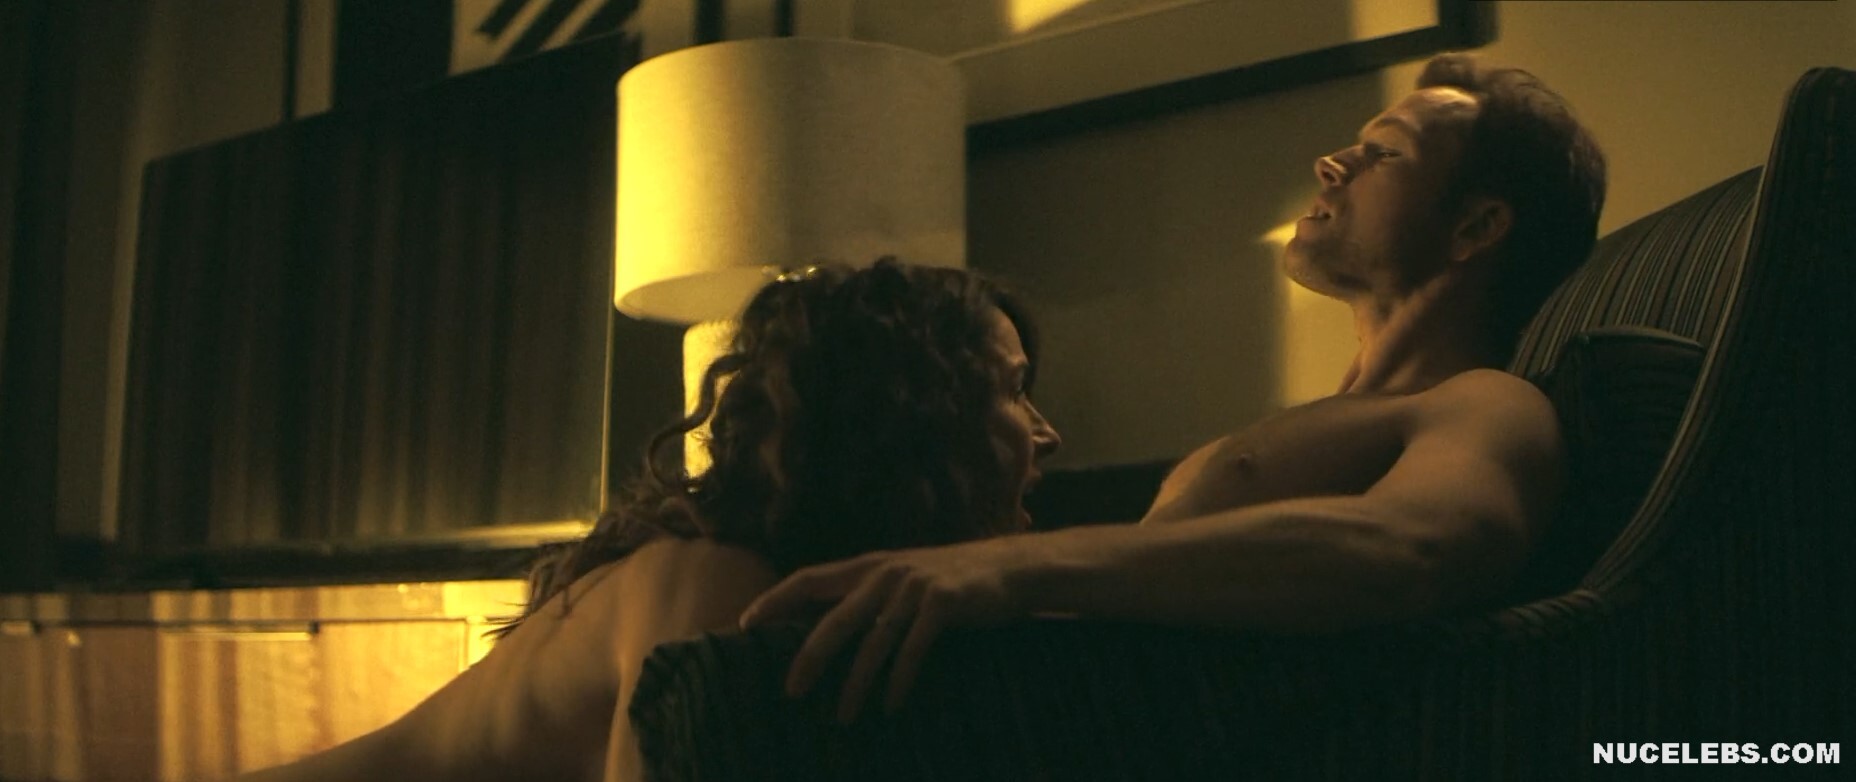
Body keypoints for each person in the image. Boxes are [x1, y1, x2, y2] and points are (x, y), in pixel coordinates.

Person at [740, 53, 1608, 722]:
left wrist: (1015, 569)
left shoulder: (1487, 404)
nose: (1331, 162)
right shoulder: (1331, 420)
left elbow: (1414, 550)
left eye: (1382, 153)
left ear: (1476, 226)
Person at [233, 260, 1061, 782]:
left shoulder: (824, 598)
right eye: (1013, 391)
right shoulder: (717, 583)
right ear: (913, 418)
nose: (1047, 432)